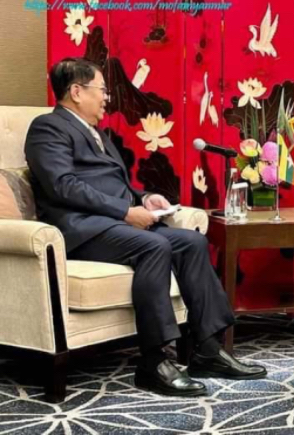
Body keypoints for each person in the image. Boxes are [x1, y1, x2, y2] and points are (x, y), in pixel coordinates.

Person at [25, 57, 267, 397]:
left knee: (192, 242)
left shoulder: (97, 132)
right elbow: (62, 185)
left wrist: (145, 197)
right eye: (102, 90)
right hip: (81, 230)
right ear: (76, 91)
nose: (107, 97)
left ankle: (208, 350)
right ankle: (153, 363)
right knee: (155, 246)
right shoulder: (47, 128)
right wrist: (126, 211)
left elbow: (113, 184)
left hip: (113, 223)